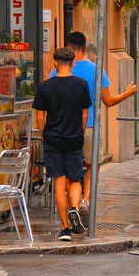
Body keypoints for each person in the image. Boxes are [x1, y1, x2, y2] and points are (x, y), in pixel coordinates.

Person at [56, 32, 136, 211]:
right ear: (85, 48)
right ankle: (85, 200)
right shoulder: (96, 70)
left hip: (63, 127)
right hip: (90, 126)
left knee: (68, 167)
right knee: (92, 166)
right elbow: (108, 101)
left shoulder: (58, 70)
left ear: (66, 48)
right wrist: (127, 93)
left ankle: (72, 204)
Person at [33, 47, 92, 242]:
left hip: (53, 138)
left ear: (55, 63)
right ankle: (74, 207)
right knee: (75, 179)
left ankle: (65, 228)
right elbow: (85, 113)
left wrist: (44, 134)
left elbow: (40, 116)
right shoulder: (81, 84)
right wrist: (80, 131)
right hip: (74, 137)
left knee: (59, 181)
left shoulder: (45, 87)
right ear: (73, 63)